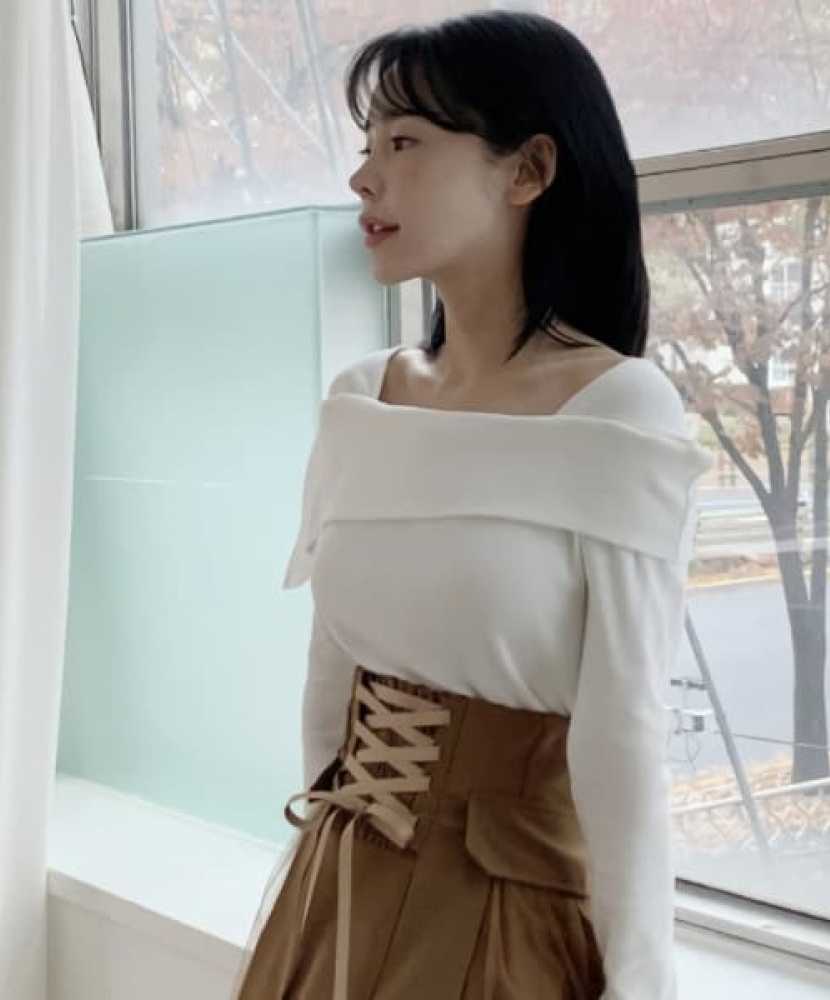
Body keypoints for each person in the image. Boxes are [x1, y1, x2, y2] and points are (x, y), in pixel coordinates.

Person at [232, 10, 711, 1000]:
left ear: (528, 169)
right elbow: (330, 681)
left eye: (404, 142)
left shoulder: (618, 406)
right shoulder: (364, 396)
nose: (364, 177)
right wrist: (317, 872)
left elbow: (622, 736)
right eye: (366, 145)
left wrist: (641, 983)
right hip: (336, 888)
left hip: (505, 914)